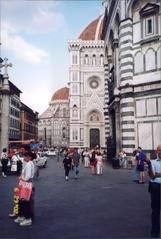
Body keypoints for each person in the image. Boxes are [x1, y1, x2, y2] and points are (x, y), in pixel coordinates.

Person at [14, 152, 35, 226]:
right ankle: (23, 217)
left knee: (24, 202)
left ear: (29, 157)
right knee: (23, 201)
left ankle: (27, 219)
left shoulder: (29, 164)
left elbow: (27, 177)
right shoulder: (30, 163)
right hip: (26, 185)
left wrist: (21, 178)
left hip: (26, 185)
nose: (24, 158)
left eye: (25, 156)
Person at [145, 145, 161, 238]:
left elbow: (156, 174)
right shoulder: (152, 162)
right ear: (156, 152)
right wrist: (150, 165)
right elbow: (152, 175)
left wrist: (157, 174)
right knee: (155, 210)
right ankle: (155, 230)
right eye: (159, 150)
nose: (160, 152)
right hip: (156, 187)